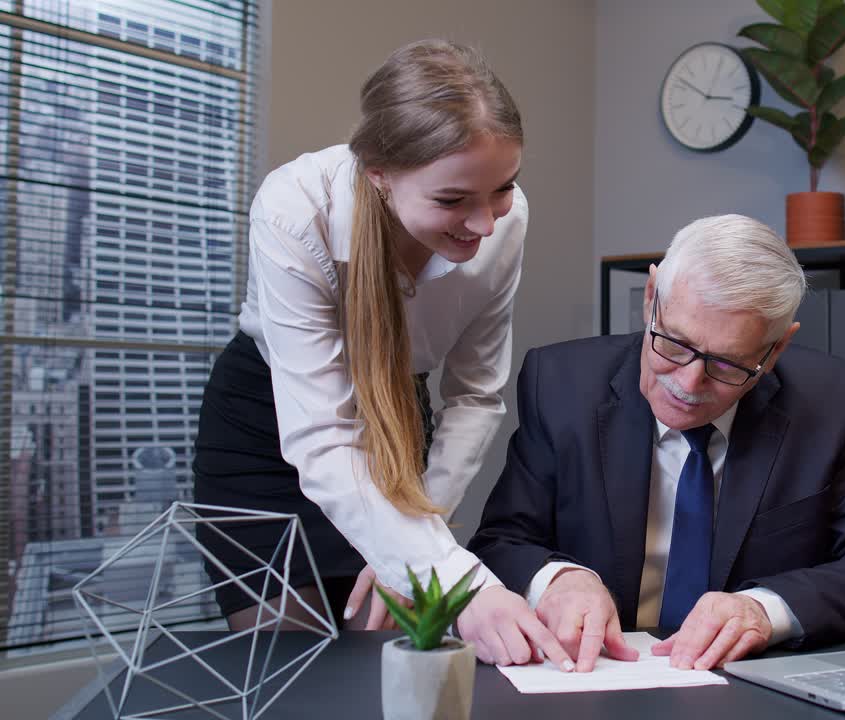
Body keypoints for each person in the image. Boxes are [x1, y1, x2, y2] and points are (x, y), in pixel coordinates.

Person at [192, 39, 571, 669]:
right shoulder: (295, 209)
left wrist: (416, 545)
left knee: (382, 652)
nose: (484, 223)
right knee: (292, 669)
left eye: (503, 188)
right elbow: (320, 435)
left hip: (396, 414)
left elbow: (476, 393)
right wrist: (457, 578)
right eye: (452, 200)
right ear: (377, 172)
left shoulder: (506, 219)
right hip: (268, 421)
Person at [468, 214, 845, 673]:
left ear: (776, 349)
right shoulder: (562, 385)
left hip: (747, 684)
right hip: (595, 675)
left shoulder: (833, 401)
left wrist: (764, 610)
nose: (688, 382)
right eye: (674, 344)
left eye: (727, 365)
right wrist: (560, 579)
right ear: (651, 299)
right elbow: (501, 541)